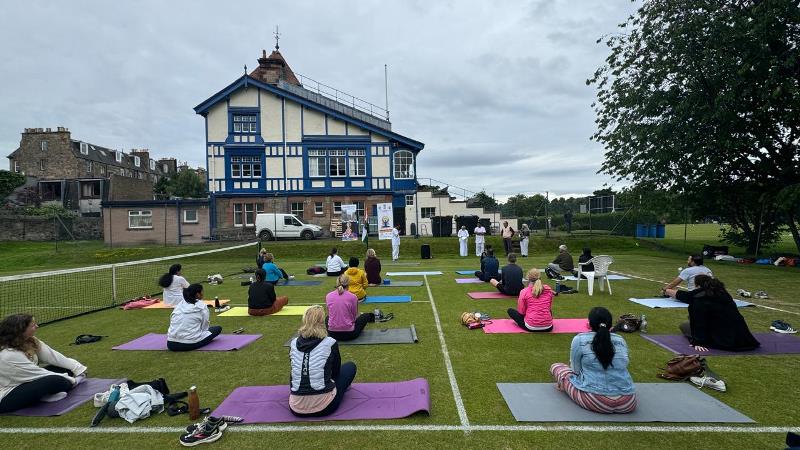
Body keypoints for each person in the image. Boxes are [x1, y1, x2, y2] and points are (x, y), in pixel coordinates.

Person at [549, 307, 637, 414]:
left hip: (595, 399)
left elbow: (575, 370)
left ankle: (565, 384)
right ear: (610, 324)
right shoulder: (620, 340)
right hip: (627, 402)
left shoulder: (580, 339)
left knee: (557, 367)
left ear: (589, 324)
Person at [0, 314, 87, 413]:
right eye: (32, 325)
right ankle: (42, 395)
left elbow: (53, 356)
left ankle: (43, 395)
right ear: (21, 330)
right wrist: (74, 380)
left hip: (26, 380)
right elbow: (38, 373)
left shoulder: (30, 340)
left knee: (67, 369)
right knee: (55, 380)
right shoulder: (8, 354)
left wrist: (79, 369)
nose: (37, 326)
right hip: (6, 395)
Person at [288, 305, 357, 417]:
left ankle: (304, 394)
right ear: (322, 322)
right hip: (325, 406)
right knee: (350, 367)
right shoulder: (330, 342)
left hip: (296, 406)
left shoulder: (293, 343)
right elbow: (336, 372)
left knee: (297, 371)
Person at [665, 275, 760, 352]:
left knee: (684, 326)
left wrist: (698, 342)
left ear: (697, 285)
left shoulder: (699, 298)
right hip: (743, 337)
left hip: (723, 338)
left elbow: (699, 322)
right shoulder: (724, 294)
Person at [167, 284, 222, 352]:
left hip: (170, 343)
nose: (203, 293)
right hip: (189, 343)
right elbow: (204, 327)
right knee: (217, 329)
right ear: (197, 294)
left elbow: (172, 321)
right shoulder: (202, 306)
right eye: (202, 291)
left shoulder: (180, 304)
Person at [325, 275, 375, 341]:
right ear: (348, 284)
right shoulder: (353, 297)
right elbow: (355, 316)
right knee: (366, 316)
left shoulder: (329, 296)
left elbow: (330, 313)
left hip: (332, 333)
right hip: (350, 334)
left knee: (327, 318)